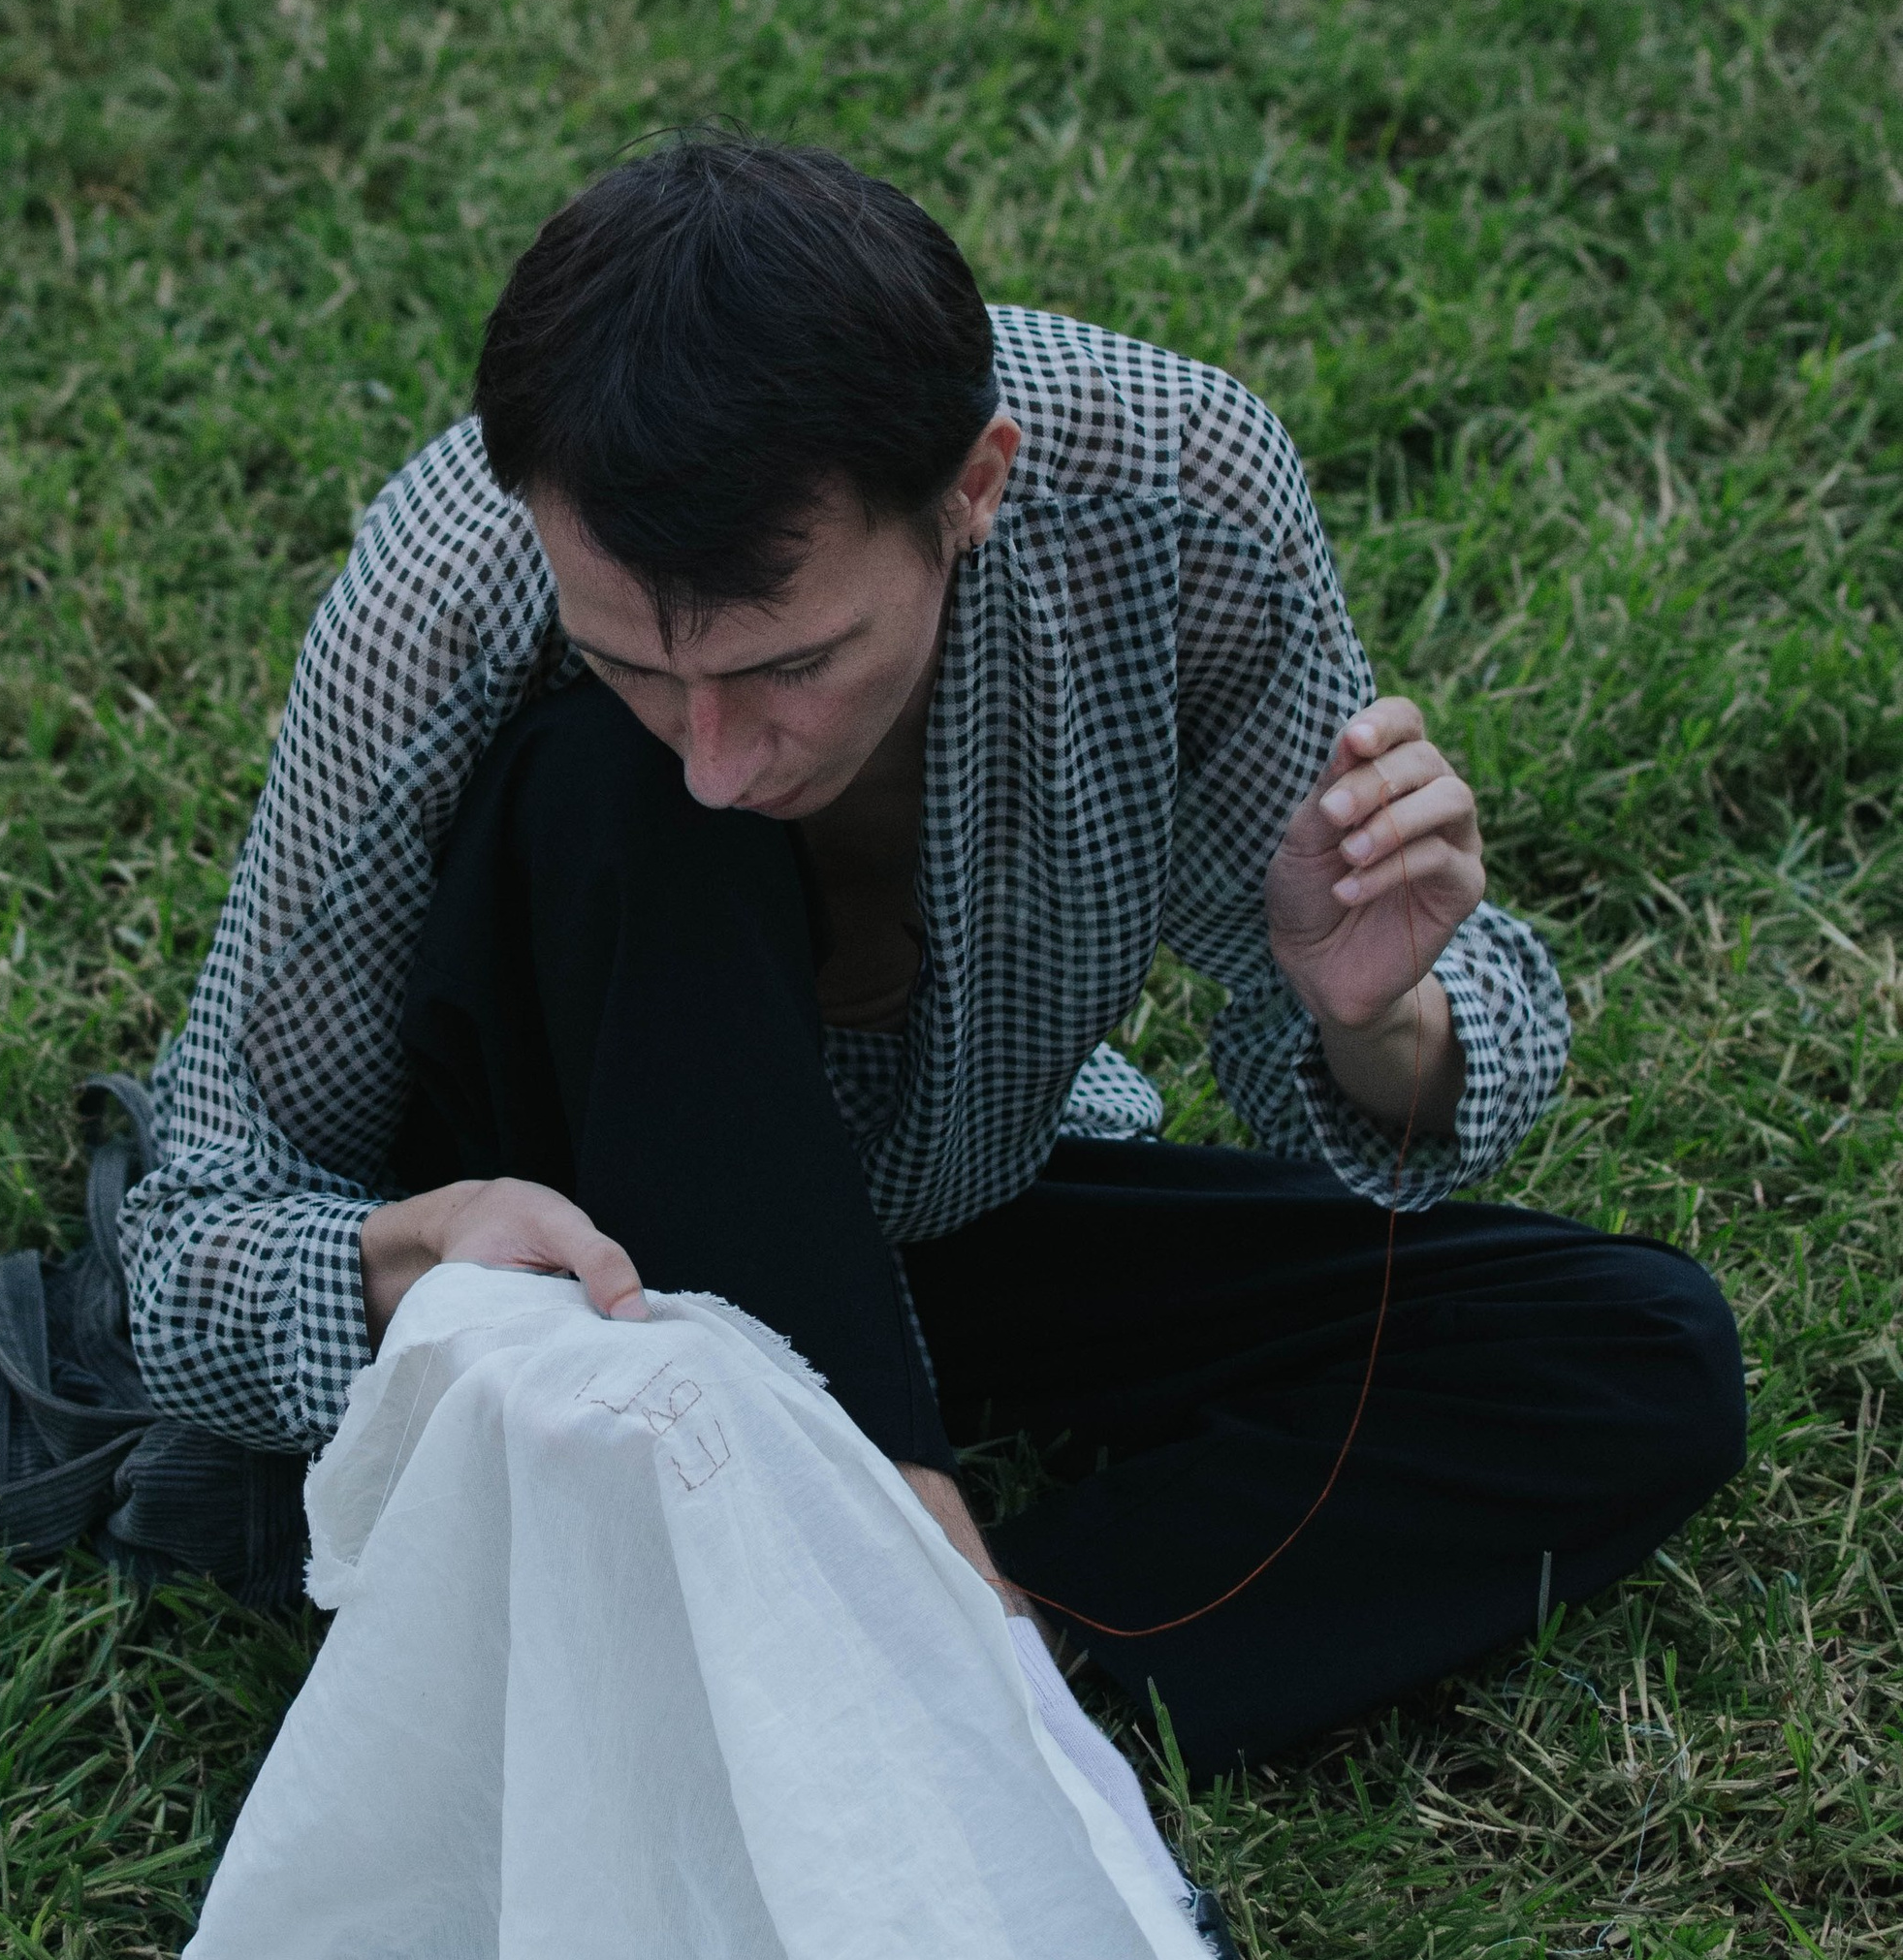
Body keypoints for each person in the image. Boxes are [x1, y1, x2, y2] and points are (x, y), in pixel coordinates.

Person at [121, 135, 1743, 1775]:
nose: (722, 756)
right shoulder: (448, 587)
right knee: (619, 799)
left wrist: (1377, 1009)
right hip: (589, 1276)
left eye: (793, 665)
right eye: (628, 659)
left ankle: (969, 1655)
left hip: (938, 1206)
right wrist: (414, 1268)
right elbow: (194, 1235)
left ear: (974, 487)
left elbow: (1381, 1080)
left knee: (1631, 1352)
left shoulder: (1175, 498)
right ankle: (895, 1621)